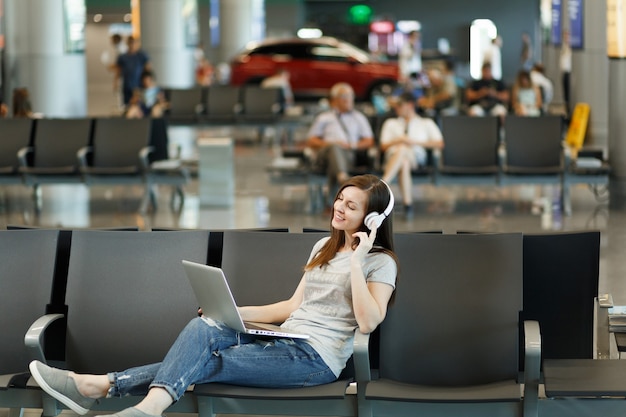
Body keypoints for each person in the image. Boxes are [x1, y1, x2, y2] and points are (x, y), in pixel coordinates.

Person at [29, 174, 398, 417]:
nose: (340, 208)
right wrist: (232, 310)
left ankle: (107, 390)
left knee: (204, 361)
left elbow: (368, 320)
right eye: (340, 199)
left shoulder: (380, 263)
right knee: (205, 326)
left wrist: (356, 261)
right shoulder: (322, 246)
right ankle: (110, 393)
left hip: (314, 360)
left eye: (352, 206)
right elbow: (290, 307)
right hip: (283, 339)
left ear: (373, 218)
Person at [381, 92, 444, 219]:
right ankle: (407, 205)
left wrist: (414, 142)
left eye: (400, 105)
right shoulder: (390, 123)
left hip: (416, 158)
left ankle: (383, 183)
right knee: (404, 161)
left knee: (404, 150)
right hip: (392, 158)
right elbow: (383, 146)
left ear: (410, 105)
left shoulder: (426, 123)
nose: (396, 108)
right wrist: (399, 140)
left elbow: (440, 143)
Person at [306, 83, 375, 192]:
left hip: (349, 154)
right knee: (334, 148)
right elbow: (311, 141)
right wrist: (330, 144)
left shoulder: (359, 118)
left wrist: (351, 145)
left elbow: (369, 141)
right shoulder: (324, 118)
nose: (348, 99)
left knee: (335, 161)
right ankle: (343, 179)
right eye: (344, 96)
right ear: (334, 100)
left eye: (350, 96)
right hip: (324, 155)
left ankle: (340, 179)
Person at [115, 36, 151, 107]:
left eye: (134, 43)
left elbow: (148, 70)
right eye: (130, 42)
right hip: (127, 86)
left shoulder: (141, 56)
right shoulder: (122, 57)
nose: (132, 45)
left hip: (138, 86)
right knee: (127, 105)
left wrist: (148, 83)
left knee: (139, 105)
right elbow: (118, 71)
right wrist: (116, 82)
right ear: (127, 43)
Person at [560, 30, 572, 118]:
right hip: (564, 73)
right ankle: (567, 111)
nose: (566, 38)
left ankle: (569, 112)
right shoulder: (564, 47)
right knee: (565, 95)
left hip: (569, 73)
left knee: (569, 94)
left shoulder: (572, 49)